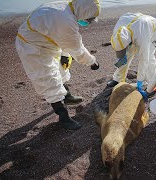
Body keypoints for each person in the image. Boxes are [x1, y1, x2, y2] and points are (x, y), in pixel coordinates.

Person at [15, 0, 101, 130]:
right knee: (48, 79)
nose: (87, 22)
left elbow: (62, 36)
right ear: (84, 11)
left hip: (48, 41)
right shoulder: (65, 21)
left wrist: (65, 54)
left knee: (61, 70)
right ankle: (63, 117)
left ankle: (67, 96)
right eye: (89, 19)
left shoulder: (68, 7)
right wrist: (92, 62)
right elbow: (77, 49)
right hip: (33, 47)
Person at [107, 12, 156, 98]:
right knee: (126, 55)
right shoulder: (118, 30)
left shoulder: (142, 36)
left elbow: (144, 59)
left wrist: (139, 81)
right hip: (135, 27)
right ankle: (118, 79)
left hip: (151, 28)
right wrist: (122, 54)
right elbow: (120, 45)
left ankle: (151, 84)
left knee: (149, 58)